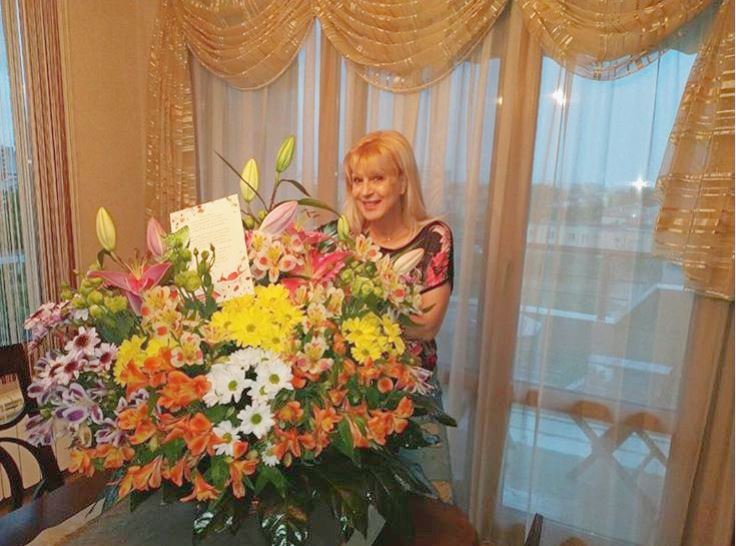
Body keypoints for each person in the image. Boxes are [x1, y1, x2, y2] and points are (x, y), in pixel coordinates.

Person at [341, 130, 455, 502]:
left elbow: (426, 325)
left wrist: (356, 316)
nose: (365, 191)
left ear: (403, 182)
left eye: (377, 178)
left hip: (413, 396)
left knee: (429, 506)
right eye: (357, 180)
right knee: (363, 511)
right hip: (355, 395)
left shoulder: (433, 237)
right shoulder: (347, 240)